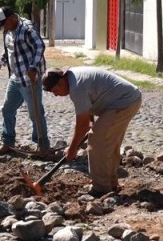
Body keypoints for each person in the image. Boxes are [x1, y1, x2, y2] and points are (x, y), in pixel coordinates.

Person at [42, 66, 142, 196]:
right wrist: (91, 120)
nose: (55, 95)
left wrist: (72, 148)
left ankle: (101, 188)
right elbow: (89, 103)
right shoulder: (73, 77)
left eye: (55, 91)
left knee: (96, 142)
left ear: (61, 82)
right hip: (129, 98)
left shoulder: (76, 87)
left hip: (123, 102)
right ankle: (111, 183)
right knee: (109, 143)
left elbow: (82, 124)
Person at [0, 7, 52, 158]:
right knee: (7, 109)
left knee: (35, 113)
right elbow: (9, 50)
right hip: (15, 78)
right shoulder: (9, 32)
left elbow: (40, 46)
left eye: (5, 23)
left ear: (12, 18)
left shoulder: (27, 29)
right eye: (2, 25)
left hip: (30, 79)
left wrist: (33, 67)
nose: (4, 27)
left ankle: (43, 146)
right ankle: (8, 142)